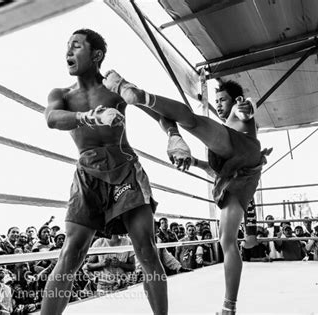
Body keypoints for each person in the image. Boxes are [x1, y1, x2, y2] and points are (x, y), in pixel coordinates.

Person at [40, 28, 191, 315]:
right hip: (88, 173)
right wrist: (89, 116)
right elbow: (52, 119)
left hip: (125, 172)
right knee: (71, 253)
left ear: (96, 55)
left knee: (146, 250)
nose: (68, 53)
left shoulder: (114, 87)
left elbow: (156, 109)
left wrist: (173, 135)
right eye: (67, 47)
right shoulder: (61, 94)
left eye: (75, 47)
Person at [103, 71, 270, 314]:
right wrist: (193, 162)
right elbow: (213, 170)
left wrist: (246, 106)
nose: (219, 104)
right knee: (227, 241)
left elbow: (247, 108)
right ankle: (229, 307)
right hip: (239, 178)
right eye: (218, 101)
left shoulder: (239, 113)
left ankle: (139, 95)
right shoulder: (221, 139)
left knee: (189, 120)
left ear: (234, 100)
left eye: (223, 100)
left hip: (242, 159)